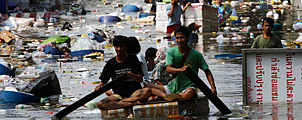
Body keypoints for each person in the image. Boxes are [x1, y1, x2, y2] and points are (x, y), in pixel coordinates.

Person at [145, 26, 217, 101]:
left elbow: (207, 71)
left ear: (188, 38)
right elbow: (168, 69)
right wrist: (180, 70)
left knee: (190, 93)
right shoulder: (171, 52)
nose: (179, 40)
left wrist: (213, 87)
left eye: (182, 38)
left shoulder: (196, 54)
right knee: (146, 86)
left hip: (188, 87)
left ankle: (165, 97)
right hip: (172, 87)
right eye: (177, 38)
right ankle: (167, 96)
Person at [95, 35, 151, 110]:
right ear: (114, 47)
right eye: (117, 46)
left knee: (147, 91)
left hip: (134, 94)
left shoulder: (133, 59)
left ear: (126, 47)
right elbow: (103, 82)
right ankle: (127, 104)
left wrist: (133, 76)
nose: (119, 49)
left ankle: (124, 102)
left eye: (121, 46)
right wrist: (98, 87)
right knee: (101, 104)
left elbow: (140, 79)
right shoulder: (111, 63)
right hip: (118, 95)